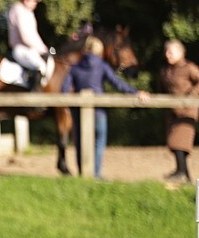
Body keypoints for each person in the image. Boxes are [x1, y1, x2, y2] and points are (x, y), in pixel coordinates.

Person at [61, 35, 150, 180]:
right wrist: (136, 92)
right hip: (98, 111)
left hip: (78, 112)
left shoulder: (75, 68)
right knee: (99, 141)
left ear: (85, 50)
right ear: (99, 51)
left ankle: (82, 173)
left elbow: (64, 89)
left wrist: (70, 103)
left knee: (80, 142)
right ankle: (95, 174)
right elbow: (117, 84)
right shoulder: (102, 66)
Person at [159, 40, 199, 182]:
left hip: (187, 112)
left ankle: (181, 172)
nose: (167, 55)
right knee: (173, 142)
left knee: (179, 142)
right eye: (166, 52)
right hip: (172, 111)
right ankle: (184, 175)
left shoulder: (189, 68)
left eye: (171, 52)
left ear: (181, 53)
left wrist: (191, 96)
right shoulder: (165, 70)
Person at [7, 0, 50, 86]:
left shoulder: (28, 13)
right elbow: (26, 36)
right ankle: (34, 95)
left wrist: (44, 48)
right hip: (22, 49)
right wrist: (42, 49)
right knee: (41, 66)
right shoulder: (19, 10)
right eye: (32, 0)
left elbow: (34, 35)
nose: (35, 3)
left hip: (29, 49)